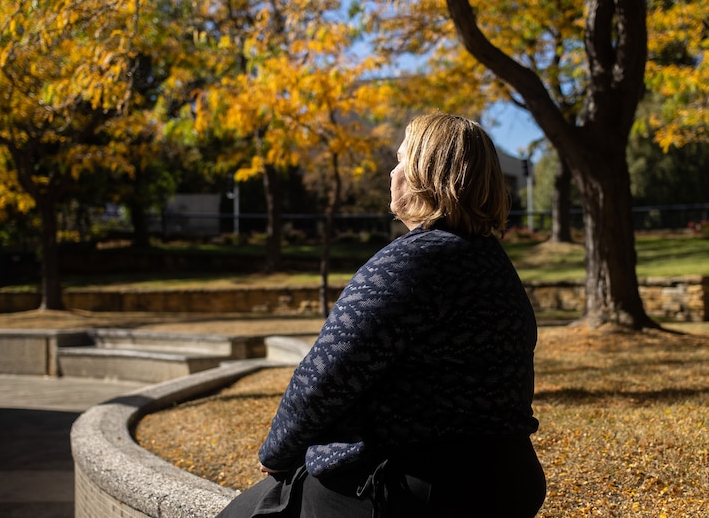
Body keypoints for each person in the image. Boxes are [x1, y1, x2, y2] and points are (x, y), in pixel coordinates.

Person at [215, 112, 546, 518]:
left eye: (401, 159)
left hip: (415, 485)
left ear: (425, 176)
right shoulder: (495, 266)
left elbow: (325, 376)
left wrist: (277, 453)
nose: (392, 171)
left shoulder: (412, 261)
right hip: (508, 480)